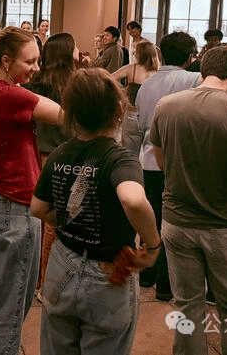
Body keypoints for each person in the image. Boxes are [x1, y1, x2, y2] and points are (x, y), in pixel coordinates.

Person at [151, 45, 227, 355]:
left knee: (186, 307)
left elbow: (162, 163)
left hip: (177, 223)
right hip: (225, 226)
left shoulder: (166, 106)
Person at [31, 68, 161, 355]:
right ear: (119, 110)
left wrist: (65, 220)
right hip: (107, 272)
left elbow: (37, 207)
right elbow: (133, 200)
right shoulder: (119, 159)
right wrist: (152, 245)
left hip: (62, 263)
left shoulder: (60, 153)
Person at [0, 27, 62, 355]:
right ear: (6, 61)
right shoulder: (7, 94)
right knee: (9, 304)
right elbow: (63, 114)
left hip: (2, 200)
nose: (36, 68)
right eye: (30, 61)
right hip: (12, 205)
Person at [133, 32, 201, 302]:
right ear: (190, 56)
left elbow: (140, 125)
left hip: (149, 161)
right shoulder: (194, 80)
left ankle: (146, 274)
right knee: (173, 225)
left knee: (151, 220)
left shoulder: (146, 85)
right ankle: (165, 285)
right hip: (181, 162)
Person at [27, 33, 78, 291]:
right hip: (62, 158)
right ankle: (46, 283)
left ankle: (34, 278)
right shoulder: (74, 84)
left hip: (34, 155)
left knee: (35, 219)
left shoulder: (34, 81)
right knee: (54, 223)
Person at [112, 40, 159, 156]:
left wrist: (121, 91)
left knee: (129, 153)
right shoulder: (158, 71)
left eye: (135, 52)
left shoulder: (131, 69)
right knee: (151, 154)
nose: (134, 54)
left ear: (141, 54)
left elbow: (109, 78)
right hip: (152, 115)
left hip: (133, 113)